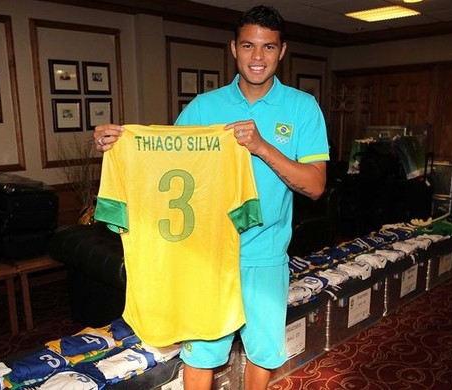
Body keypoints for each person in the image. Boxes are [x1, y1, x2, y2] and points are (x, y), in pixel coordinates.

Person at [93, 5, 329, 389]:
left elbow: (316, 185)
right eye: (249, 46)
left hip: (265, 254)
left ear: (282, 52)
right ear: (233, 48)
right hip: (206, 255)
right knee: (201, 354)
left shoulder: (302, 108)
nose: (257, 57)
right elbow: (165, 160)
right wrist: (118, 145)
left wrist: (262, 146)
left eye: (268, 48)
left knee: (263, 352)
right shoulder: (205, 107)